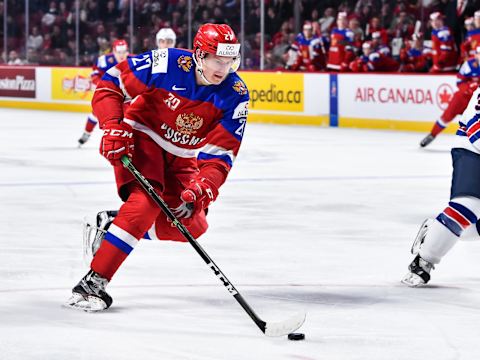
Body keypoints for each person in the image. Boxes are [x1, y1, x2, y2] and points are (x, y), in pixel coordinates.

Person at [66, 23, 249, 311]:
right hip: (142, 137)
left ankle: (113, 226)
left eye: (229, 62)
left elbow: (221, 154)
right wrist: (113, 125)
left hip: (183, 156)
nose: (224, 68)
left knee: (191, 224)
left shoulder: (236, 93)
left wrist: (205, 184)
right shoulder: (168, 62)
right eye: (217, 60)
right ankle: (92, 283)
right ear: (199, 55)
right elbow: (110, 83)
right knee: (145, 204)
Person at [402, 81, 480, 286]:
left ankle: (439, 229)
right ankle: (424, 259)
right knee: (468, 206)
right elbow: (476, 129)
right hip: (472, 149)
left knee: (467, 221)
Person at [419, 46, 480, 147]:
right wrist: (469, 88)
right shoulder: (469, 64)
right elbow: (459, 81)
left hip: (477, 100)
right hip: (463, 98)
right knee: (447, 116)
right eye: (478, 54)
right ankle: (432, 134)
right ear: (476, 54)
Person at [77, 39, 130, 146]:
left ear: (127, 51)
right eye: (119, 52)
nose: (121, 55)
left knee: (129, 117)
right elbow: (94, 75)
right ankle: (87, 133)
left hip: (127, 96)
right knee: (96, 113)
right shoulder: (104, 60)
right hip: (109, 94)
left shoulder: (134, 60)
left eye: (124, 52)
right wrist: (101, 85)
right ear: (114, 51)